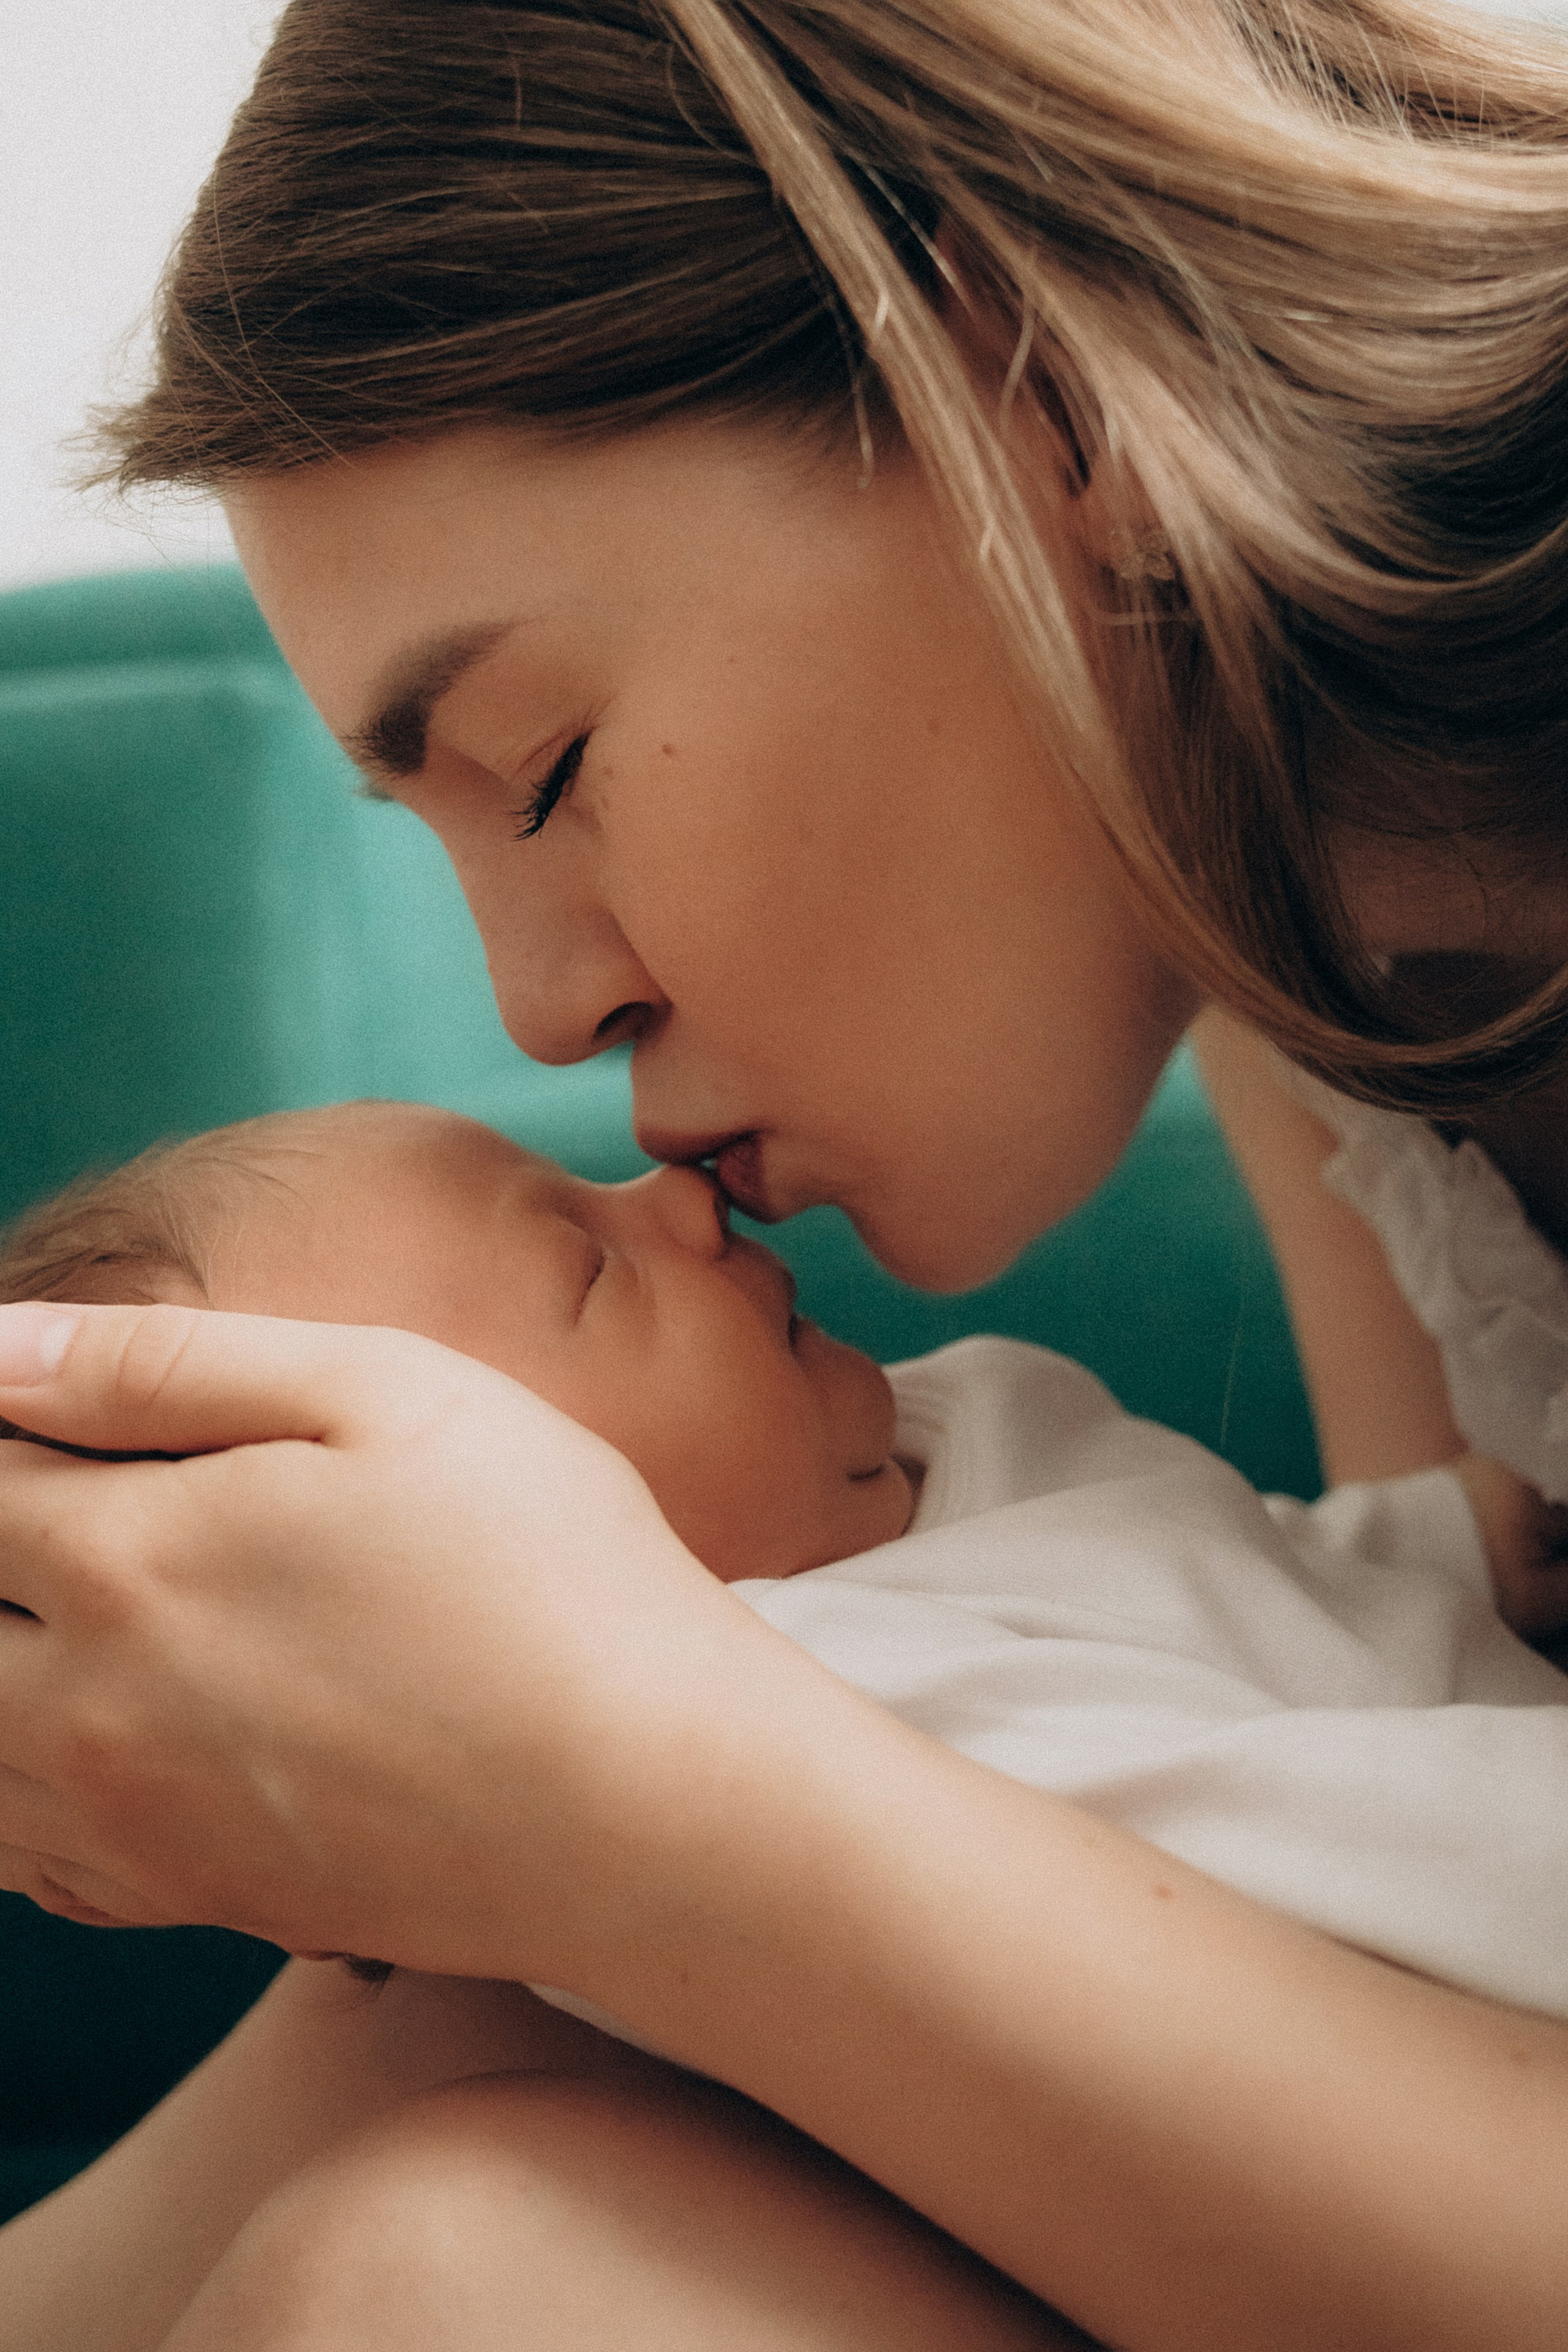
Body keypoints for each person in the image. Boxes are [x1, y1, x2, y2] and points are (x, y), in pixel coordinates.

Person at [2, 1, 1567, 2343]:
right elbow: (1397, 1776)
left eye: (535, 768)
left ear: (1034, 389)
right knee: (452, 2241)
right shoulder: (1316, 990)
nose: (535, 1008)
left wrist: (659, 1807)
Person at [6, 1095, 1568, 2347]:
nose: (676, 1193)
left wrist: (1439, 1540)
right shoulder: (819, 1679)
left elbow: (1241, 1588)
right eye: (590, 1270)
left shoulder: (954, 1431)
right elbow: (1268, 1799)